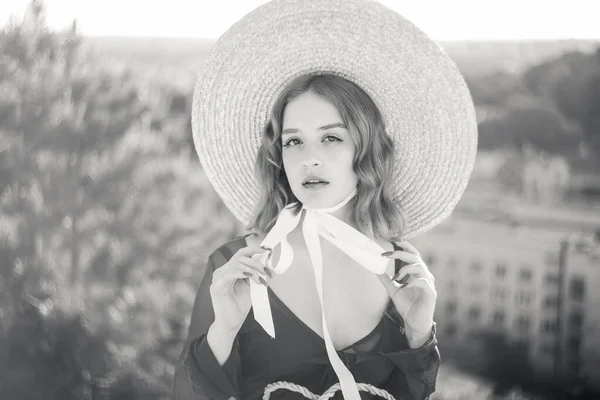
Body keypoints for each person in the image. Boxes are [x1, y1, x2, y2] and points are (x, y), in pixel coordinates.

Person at [172, 0, 477, 399]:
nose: (309, 157)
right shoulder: (235, 271)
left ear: (366, 150)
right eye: (293, 140)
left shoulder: (402, 276)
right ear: (279, 156)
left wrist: (419, 334)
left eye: (331, 137)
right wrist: (224, 330)